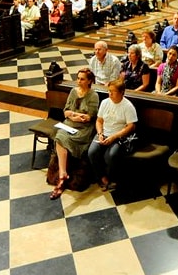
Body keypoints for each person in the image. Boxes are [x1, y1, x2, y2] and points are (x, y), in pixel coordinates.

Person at [50, 68, 100, 200]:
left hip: (84, 128)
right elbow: (66, 111)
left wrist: (75, 115)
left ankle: (62, 176)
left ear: (89, 81)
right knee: (60, 136)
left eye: (82, 79)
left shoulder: (93, 95)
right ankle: (63, 173)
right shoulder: (73, 91)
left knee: (68, 138)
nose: (79, 81)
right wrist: (74, 116)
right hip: (70, 123)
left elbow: (89, 117)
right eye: (78, 78)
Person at [87, 79, 138, 191]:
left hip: (119, 136)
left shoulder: (128, 106)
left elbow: (131, 126)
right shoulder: (105, 102)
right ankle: (102, 178)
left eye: (113, 91)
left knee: (111, 155)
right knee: (92, 152)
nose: (110, 94)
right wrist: (100, 133)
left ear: (121, 92)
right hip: (104, 133)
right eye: (109, 91)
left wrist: (114, 137)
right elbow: (99, 120)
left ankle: (112, 178)